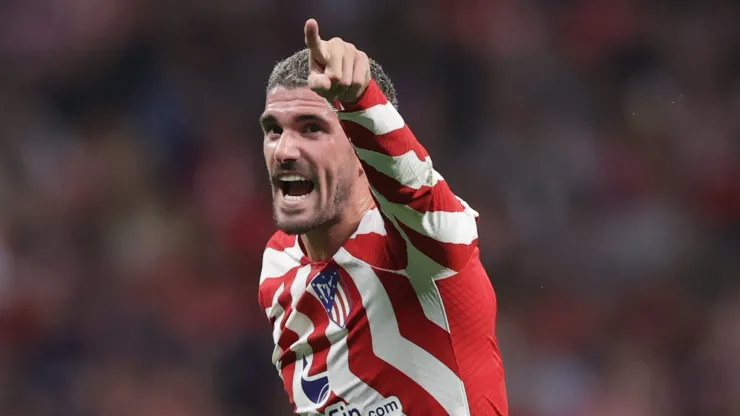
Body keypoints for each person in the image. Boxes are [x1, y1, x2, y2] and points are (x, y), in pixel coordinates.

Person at [257, 18, 508, 416]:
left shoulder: (425, 247)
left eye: (311, 128)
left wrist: (360, 99)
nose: (284, 150)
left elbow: (414, 184)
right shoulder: (279, 266)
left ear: (362, 151)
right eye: (274, 130)